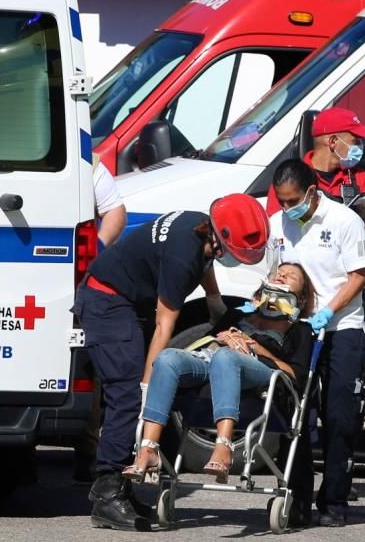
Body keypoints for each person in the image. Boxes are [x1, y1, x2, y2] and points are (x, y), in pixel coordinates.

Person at [73, 193, 269, 531]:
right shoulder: (184, 256)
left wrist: (214, 301)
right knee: (128, 394)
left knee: (130, 391)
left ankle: (122, 486)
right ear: (218, 241)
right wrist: (149, 386)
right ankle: (107, 492)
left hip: (125, 299)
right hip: (107, 301)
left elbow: (204, 262)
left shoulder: (199, 226)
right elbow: (165, 325)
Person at [122, 263, 316, 485]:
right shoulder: (237, 315)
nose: (281, 276)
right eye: (278, 272)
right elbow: (209, 345)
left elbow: (295, 375)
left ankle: (224, 445)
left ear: (301, 298)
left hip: (260, 373)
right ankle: (149, 449)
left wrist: (254, 346)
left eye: (291, 276)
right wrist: (225, 337)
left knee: (226, 358)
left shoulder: (299, 330)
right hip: (212, 361)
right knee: (167, 358)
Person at [270, 158, 365, 527]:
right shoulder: (278, 223)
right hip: (298, 329)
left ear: (312, 192)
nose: (286, 208)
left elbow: (357, 277)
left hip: (341, 326)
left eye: (292, 200)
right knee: (295, 415)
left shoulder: (345, 221)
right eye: (280, 201)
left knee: (338, 416)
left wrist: (328, 311)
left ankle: (333, 500)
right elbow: (273, 272)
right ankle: (295, 498)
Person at [74, 161, 129, 483]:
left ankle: (88, 450)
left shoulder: (87, 161)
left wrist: (94, 248)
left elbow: (115, 211)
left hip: (76, 273)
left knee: (86, 358)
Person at [266, 106, 365, 239]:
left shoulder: (359, 177)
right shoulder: (291, 178)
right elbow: (276, 230)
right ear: (333, 142)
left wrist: (349, 224)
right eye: (355, 141)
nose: (360, 147)